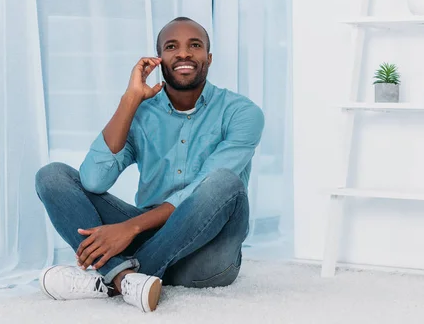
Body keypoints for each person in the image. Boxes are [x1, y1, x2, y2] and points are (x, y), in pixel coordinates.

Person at [35, 17, 264, 312]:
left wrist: (129, 229)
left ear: (208, 57)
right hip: (153, 237)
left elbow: (200, 191)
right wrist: (130, 100)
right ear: (159, 59)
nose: (183, 53)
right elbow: (93, 180)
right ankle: (130, 280)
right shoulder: (143, 113)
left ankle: (110, 279)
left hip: (207, 257)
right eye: (172, 47)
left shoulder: (242, 113)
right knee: (52, 176)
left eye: (195, 45)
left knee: (224, 182)